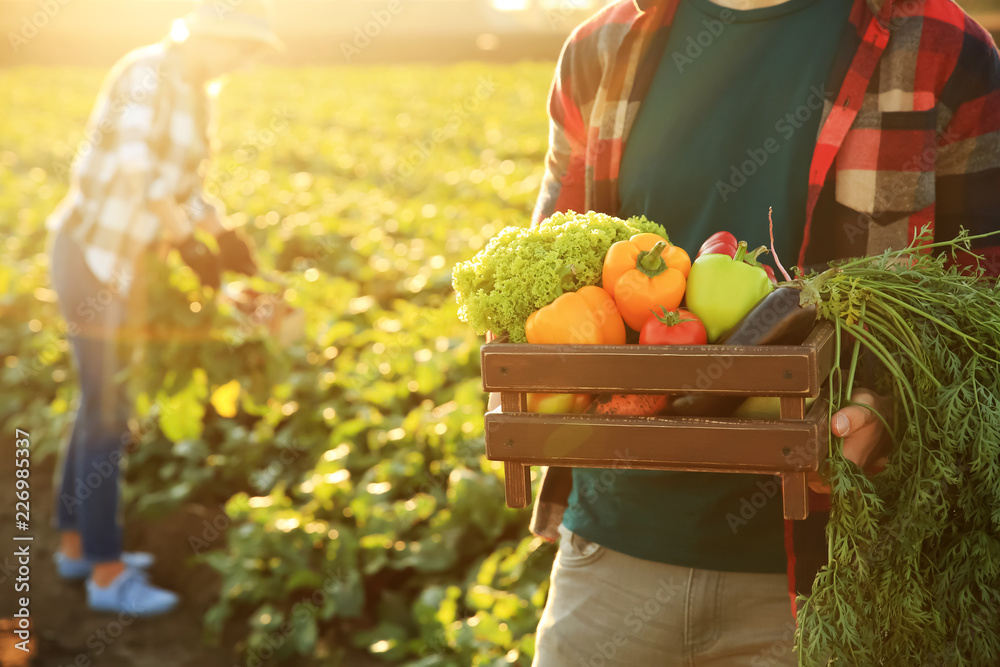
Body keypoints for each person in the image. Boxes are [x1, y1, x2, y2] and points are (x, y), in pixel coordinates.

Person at [527, 0, 1000, 663]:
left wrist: (895, 409)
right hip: (614, 552)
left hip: (835, 576)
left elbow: (984, 307)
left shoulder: (944, 49)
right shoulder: (600, 49)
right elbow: (551, 280)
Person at [47, 1, 281, 616]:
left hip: (125, 268)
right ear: (206, 37)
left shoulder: (197, 93)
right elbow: (135, 169)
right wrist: (182, 239)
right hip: (92, 258)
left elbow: (185, 186)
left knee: (98, 400)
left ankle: (75, 545)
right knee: (109, 410)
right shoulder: (147, 72)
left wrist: (222, 234)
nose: (242, 62)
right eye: (238, 49)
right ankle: (106, 572)